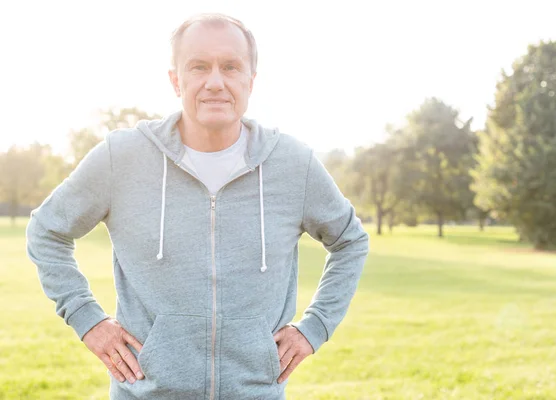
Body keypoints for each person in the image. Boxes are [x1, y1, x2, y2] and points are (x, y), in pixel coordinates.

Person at [25, 13, 369, 400]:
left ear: (250, 81)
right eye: (199, 66)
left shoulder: (293, 164)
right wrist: (87, 318)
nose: (215, 82)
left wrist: (316, 325)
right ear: (176, 79)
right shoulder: (122, 158)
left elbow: (350, 241)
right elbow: (46, 231)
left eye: (231, 66)